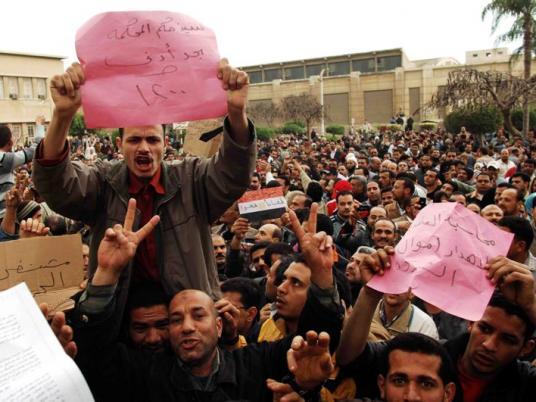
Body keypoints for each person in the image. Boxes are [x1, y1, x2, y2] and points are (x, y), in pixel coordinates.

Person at [34, 60, 257, 338]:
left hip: (188, 327)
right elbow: (58, 187)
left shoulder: (192, 180)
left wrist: (237, 113)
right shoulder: (102, 182)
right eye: (134, 140)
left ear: (165, 144)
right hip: (119, 327)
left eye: (153, 140)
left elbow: (234, 173)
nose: (144, 148)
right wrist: (63, 116)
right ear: (119, 145)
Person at [72, 200, 341, 402]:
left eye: (199, 315)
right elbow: (94, 353)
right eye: (176, 319)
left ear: (220, 325)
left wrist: (321, 272)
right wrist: (106, 272)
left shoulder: (255, 365)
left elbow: (316, 338)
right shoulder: (144, 375)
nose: (187, 326)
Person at [337, 246, 536, 401]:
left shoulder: (526, 383)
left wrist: (532, 306)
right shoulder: (426, 355)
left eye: (508, 339)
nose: (489, 345)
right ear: (470, 323)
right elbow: (350, 357)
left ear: (526, 348)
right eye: (485, 329)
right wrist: (370, 294)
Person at [0, 124, 44, 209]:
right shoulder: (4, 159)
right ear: (10, 142)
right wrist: (39, 125)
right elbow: (35, 150)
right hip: (4, 214)